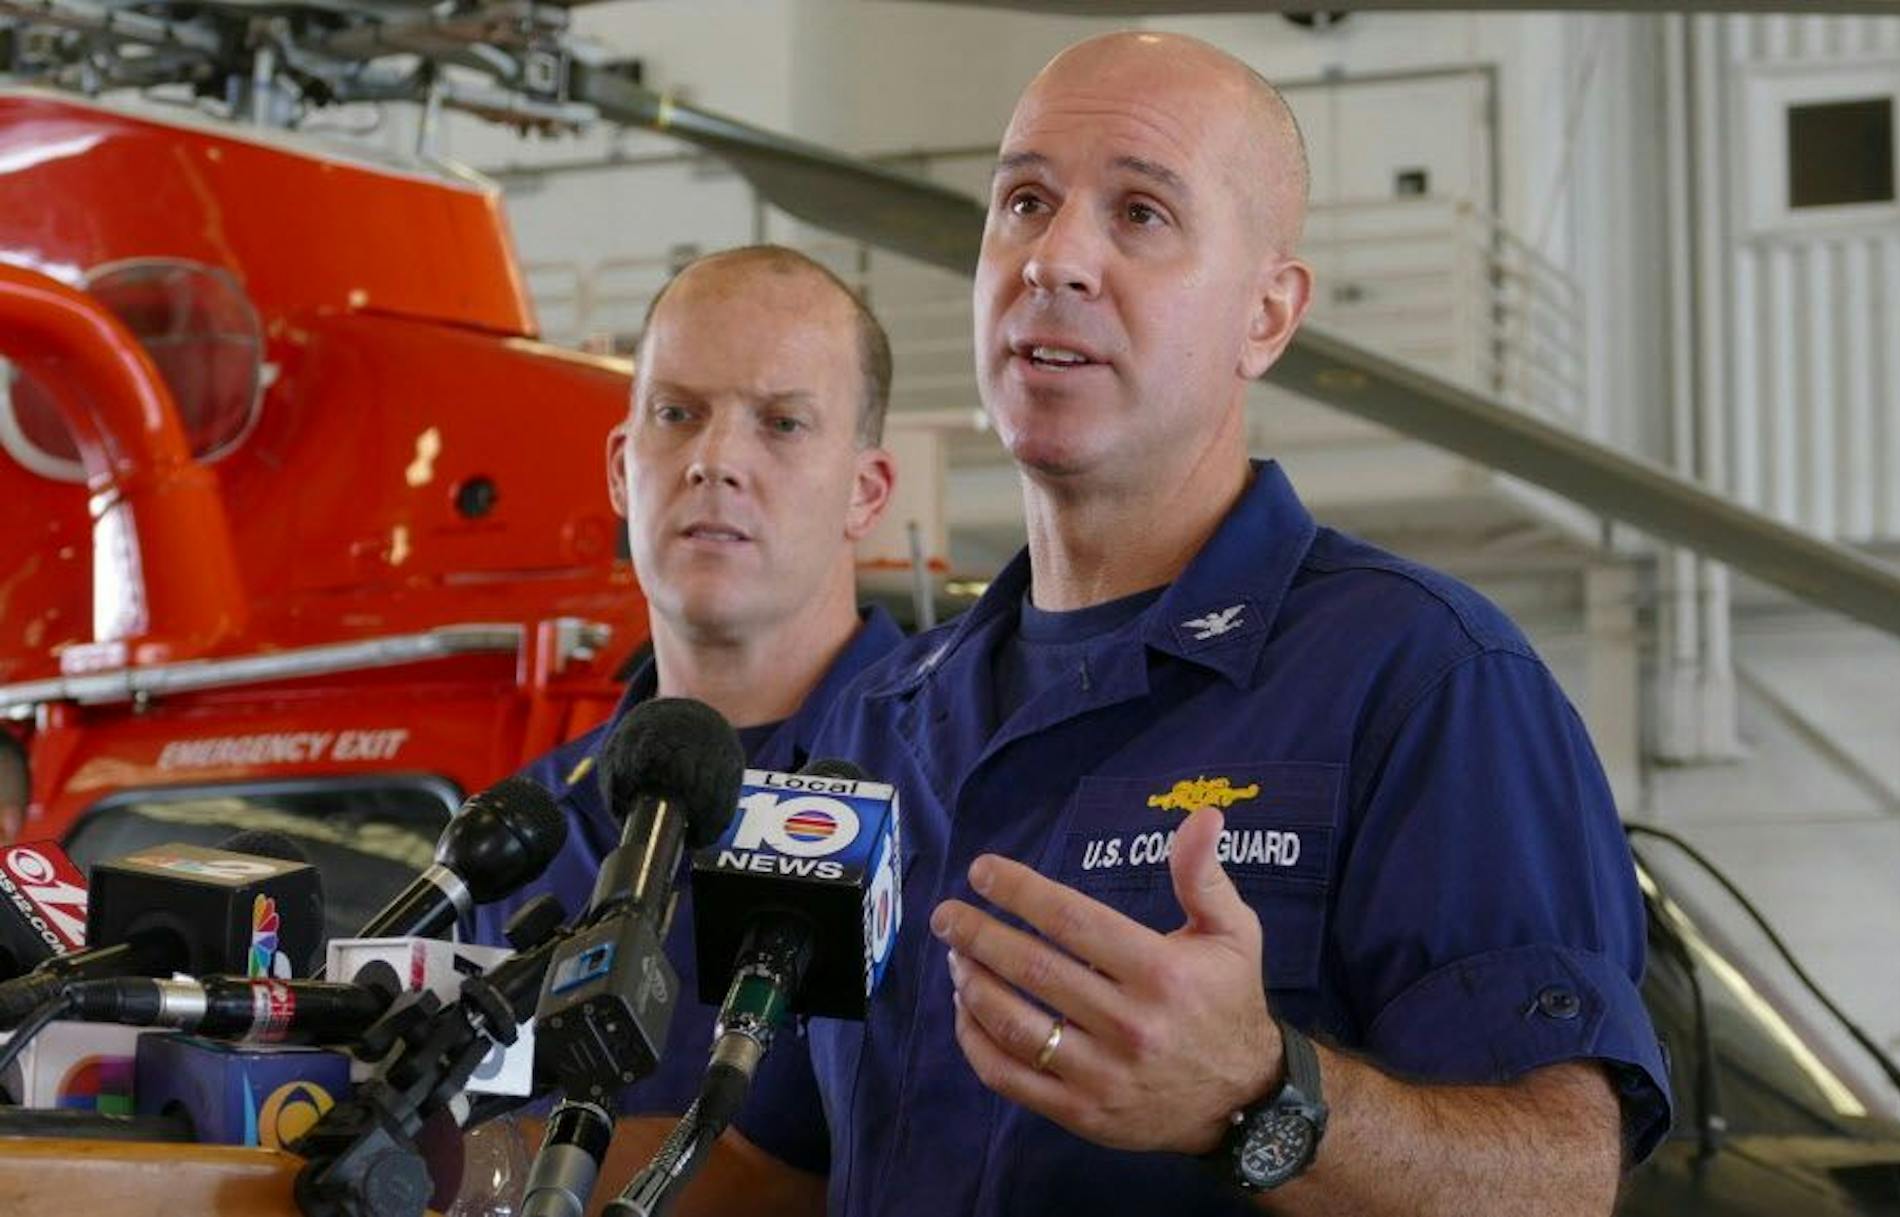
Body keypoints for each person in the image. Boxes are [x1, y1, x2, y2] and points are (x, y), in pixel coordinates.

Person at [710, 32, 1672, 1215]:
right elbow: (769, 1161)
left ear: (1267, 315)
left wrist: (1262, 1097)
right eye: (1023, 201)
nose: (1053, 258)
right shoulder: (867, 720)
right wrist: (465, 1152)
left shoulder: (1428, 679)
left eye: (1142, 214)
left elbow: (1564, 1176)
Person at [462, 245, 901, 1211]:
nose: (715, 460)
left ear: (866, 493)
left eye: (782, 423)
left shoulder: (952, 778)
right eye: (677, 413)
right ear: (624, 467)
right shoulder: (524, 833)